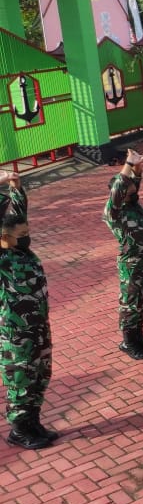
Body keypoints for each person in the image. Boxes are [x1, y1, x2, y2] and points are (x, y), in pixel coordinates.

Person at [0, 172, 57, 449]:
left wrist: (16, 189)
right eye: (20, 236)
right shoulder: (4, 258)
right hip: (17, 333)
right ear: (4, 237)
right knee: (21, 380)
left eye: (27, 234)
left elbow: (18, 216)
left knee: (41, 374)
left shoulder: (24, 254)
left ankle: (33, 422)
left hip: (38, 326)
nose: (26, 238)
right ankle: (19, 430)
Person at [103, 147, 143, 360]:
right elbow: (121, 186)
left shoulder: (133, 204)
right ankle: (128, 342)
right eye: (128, 190)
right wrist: (127, 164)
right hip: (132, 263)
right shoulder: (114, 212)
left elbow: (136, 180)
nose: (133, 191)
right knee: (131, 301)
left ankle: (138, 338)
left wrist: (137, 164)